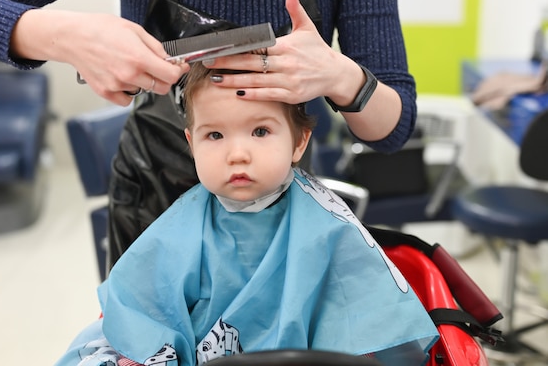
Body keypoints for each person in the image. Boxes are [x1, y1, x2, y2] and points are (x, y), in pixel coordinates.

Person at [0, 0, 418, 269]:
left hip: (279, 202)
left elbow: (391, 130)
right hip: (153, 195)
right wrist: (70, 37)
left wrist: (342, 76)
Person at [52, 63, 439, 366]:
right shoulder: (182, 224)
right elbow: (141, 310)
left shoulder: (325, 224)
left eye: (259, 131)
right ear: (191, 143)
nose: (237, 153)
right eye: (215, 136)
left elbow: (369, 321)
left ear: (299, 141)